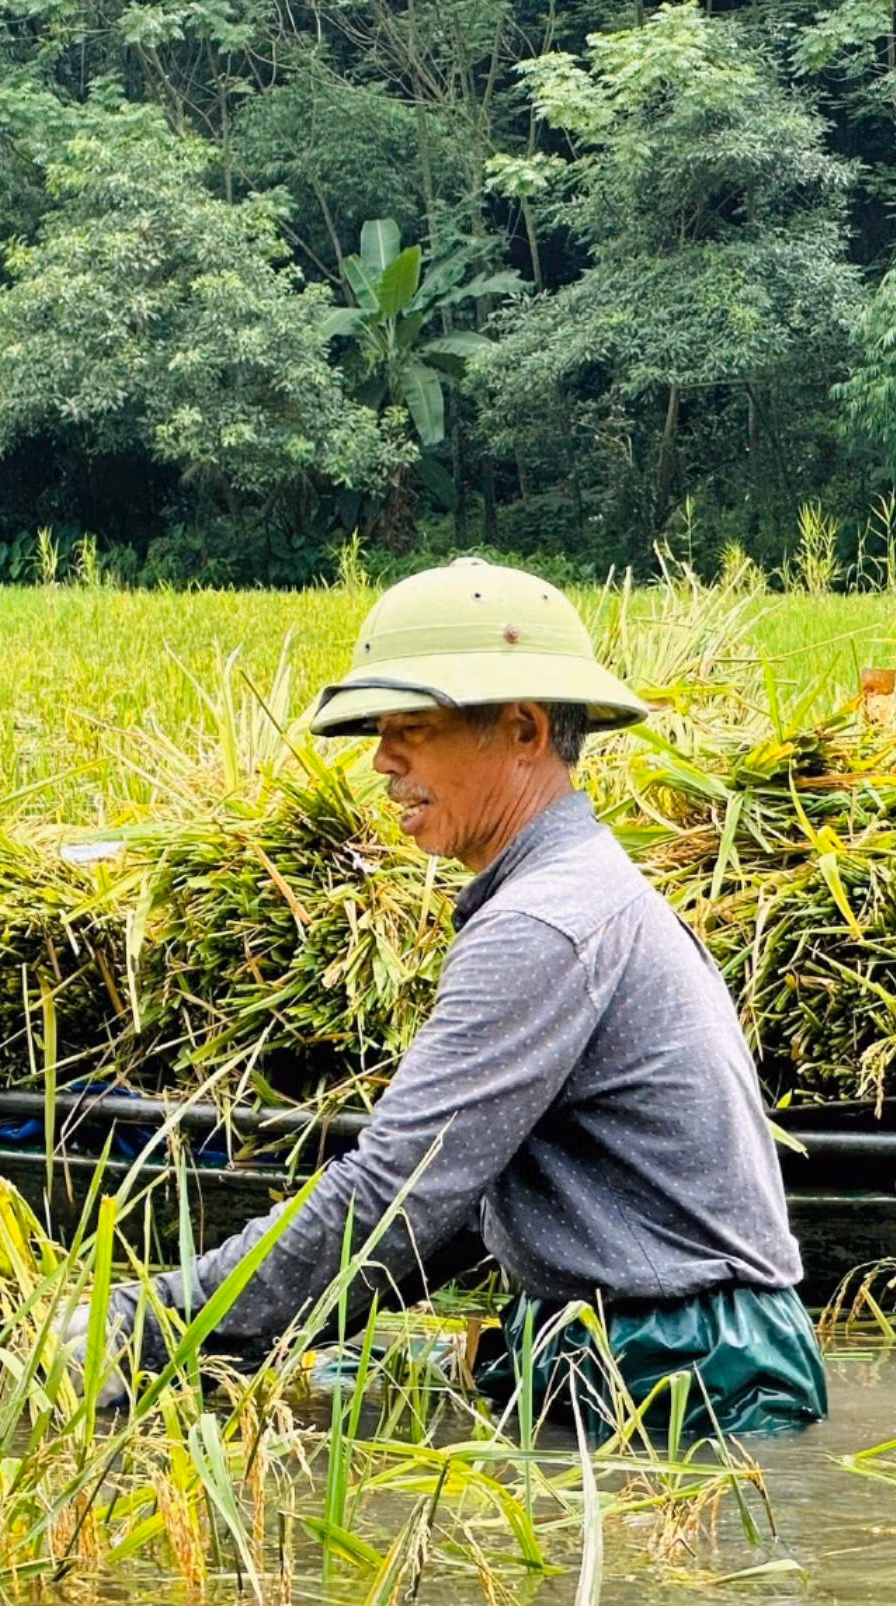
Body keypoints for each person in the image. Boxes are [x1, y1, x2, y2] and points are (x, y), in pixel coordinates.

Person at [96, 557, 827, 1437]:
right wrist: (228, 1344)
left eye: (413, 727)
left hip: (688, 1371)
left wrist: (144, 1324)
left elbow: (392, 1199)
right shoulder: (574, 890)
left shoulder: (544, 924)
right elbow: (445, 1210)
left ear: (522, 730)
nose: (381, 761)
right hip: (652, 1343)